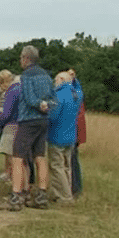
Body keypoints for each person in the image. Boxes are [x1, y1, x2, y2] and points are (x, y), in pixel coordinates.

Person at [0, 45, 55, 211]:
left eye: (21, 57)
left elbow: (29, 98)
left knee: (17, 157)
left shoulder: (27, 75)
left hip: (28, 120)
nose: (20, 60)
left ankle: (16, 197)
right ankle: (41, 196)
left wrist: (39, 104)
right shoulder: (46, 75)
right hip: (44, 120)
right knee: (40, 156)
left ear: (26, 58)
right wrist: (47, 106)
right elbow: (54, 98)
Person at [48, 71, 83, 204]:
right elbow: (79, 89)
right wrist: (75, 79)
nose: (54, 82)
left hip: (57, 135)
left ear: (61, 79)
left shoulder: (58, 95)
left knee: (57, 167)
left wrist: (46, 111)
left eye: (56, 79)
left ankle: (65, 197)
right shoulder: (76, 94)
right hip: (71, 136)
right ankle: (63, 192)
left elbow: (53, 116)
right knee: (67, 167)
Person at [68, 68, 86, 198]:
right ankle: (75, 188)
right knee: (73, 160)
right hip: (75, 132)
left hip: (72, 132)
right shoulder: (78, 93)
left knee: (72, 160)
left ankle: (75, 188)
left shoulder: (73, 94)